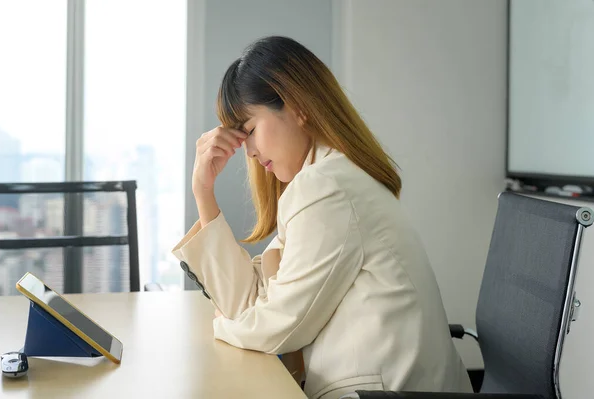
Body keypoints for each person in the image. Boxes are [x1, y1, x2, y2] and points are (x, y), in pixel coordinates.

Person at [172, 36, 472, 399]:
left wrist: (225, 327)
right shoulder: (323, 178)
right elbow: (252, 301)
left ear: (297, 106)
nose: (248, 152)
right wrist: (204, 193)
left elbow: (279, 330)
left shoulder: (326, 188)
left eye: (250, 131)